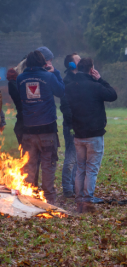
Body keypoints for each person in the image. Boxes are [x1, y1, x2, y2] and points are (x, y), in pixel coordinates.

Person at [65, 58, 117, 213]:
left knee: (80, 167)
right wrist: (100, 79)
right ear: (91, 69)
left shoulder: (69, 88)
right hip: (94, 134)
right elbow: (112, 95)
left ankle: (79, 198)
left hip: (78, 134)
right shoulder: (96, 86)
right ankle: (87, 200)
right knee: (92, 168)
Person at [16, 50, 65, 204]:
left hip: (28, 130)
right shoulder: (48, 76)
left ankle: (29, 199)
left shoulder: (20, 78)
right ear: (43, 62)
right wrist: (55, 72)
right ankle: (49, 200)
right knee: (48, 165)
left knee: (30, 165)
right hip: (47, 130)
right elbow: (62, 92)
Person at [60, 53, 81, 198]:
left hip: (79, 123)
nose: (81, 61)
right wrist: (72, 123)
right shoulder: (67, 81)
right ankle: (67, 189)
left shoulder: (79, 78)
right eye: (78, 59)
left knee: (78, 158)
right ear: (72, 65)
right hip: (71, 124)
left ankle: (73, 187)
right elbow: (66, 106)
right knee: (70, 158)